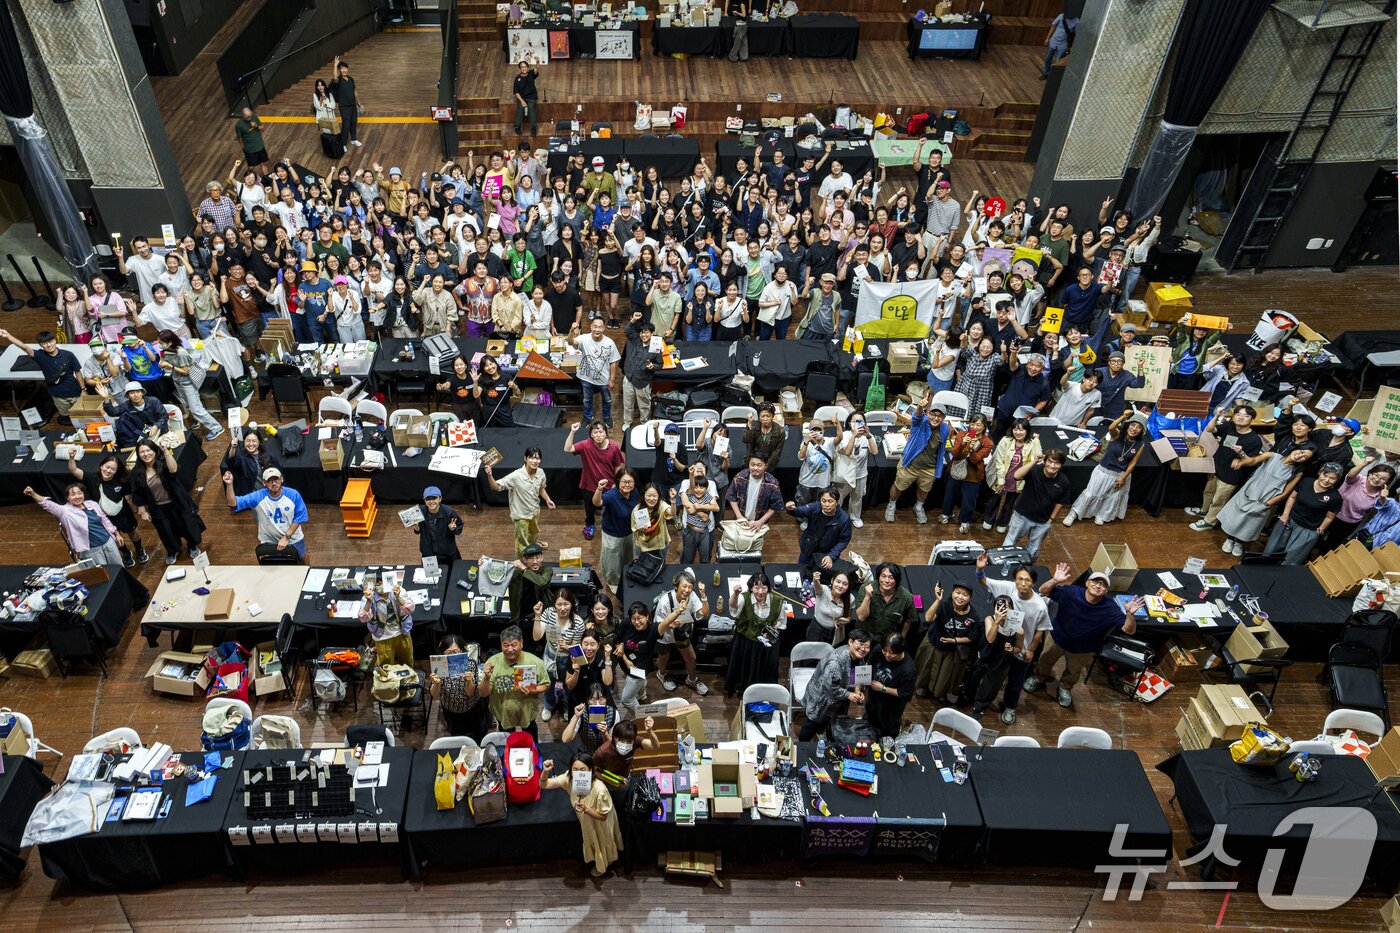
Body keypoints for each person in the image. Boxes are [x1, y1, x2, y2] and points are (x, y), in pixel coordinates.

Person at [1025, 565, 1143, 709]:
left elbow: (1128, 630)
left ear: (1106, 591)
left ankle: (1065, 687)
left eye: (1102, 584)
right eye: (1095, 581)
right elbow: (1043, 591)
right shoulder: (1072, 592)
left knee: (1073, 672)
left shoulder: (1111, 608)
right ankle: (1039, 677)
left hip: (1083, 649)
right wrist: (1055, 580)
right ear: (1087, 583)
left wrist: (1130, 614)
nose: (1098, 585)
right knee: (1044, 660)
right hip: (1057, 638)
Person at [973, 556, 1051, 724]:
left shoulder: (1040, 606)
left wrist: (1030, 649)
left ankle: (1010, 707)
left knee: (1016, 681)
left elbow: (1041, 630)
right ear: (1015, 580)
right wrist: (980, 568)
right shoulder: (1007, 588)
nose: (1023, 583)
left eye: (1027, 580)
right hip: (1001, 646)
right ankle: (981, 702)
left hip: (1020, 647)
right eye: (1020, 579)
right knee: (994, 677)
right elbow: (983, 580)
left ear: (1034, 583)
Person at [1217, 445, 1316, 557]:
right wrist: (1241, 462)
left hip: (1265, 501)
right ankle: (1229, 539)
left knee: (1250, 524)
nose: (1300, 455)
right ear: (1295, 449)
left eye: (1305, 457)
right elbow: (1254, 460)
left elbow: (1285, 493)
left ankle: (1239, 542)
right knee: (1236, 518)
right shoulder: (1272, 456)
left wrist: (1266, 504)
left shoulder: (1297, 473)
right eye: (1301, 451)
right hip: (1250, 492)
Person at [539, 752, 623, 878]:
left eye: (583, 769)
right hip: (586, 822)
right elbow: (543, 784)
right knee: (591, 840)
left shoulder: (600, 790)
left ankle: (603, 865)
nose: (579, 773)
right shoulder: (569, 778)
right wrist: (545, 771)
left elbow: (603, 816)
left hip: (599, 823)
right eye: (575, 769)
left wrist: (587, 810)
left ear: (590, 770)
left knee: (602, 840)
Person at [1062, 410, 1148, 527]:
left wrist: (1124, 477)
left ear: (1142, 431)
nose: (1134, 429)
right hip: (1103, 471)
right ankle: (1074, 513)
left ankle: (1102, 515)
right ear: (1128, 425)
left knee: (1111, 497)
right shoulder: (1117, 435)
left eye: (1138, 427)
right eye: (1133, 425)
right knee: (1090, 493)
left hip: (1120, 474)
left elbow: (1133, 463)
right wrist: (1123, 416)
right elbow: (1111, 427)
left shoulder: (1140, 444)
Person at [1188, 405, 1265, 532]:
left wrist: (1241, 453)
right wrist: (1217, 415)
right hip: (1217, 466)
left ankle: (1210, 521)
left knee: (1219, 499)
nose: (1241, 418)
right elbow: (1209, 429)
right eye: (1238, 414)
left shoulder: (1254, 440)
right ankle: (1204, 511)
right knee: (1208, 492)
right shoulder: (1230, 426)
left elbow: (1251, 462)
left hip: (1231, 475)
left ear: (1252, 419)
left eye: (1246, 416)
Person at [130, 437, 204, 565]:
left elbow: (174, 470)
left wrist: (165, 451)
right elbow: (137, 493)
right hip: (157, 508)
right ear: (138, 454)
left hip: (177, 503)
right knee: (166, 531)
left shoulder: (163, 462)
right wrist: (143, 511)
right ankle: (172, 550)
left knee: (186, 525)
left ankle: (192, 545)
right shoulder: (136, 472)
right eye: (142, 452)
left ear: (154, 450)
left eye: (148, 450)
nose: (146, 454)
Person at [66, 450, 147, 566]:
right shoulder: (91, 478)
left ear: (116, 471)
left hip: (123, 513)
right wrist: (71, 457)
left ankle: (139, 549)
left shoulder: (122, 480)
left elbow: (128, 497)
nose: (108, 471)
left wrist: (136, 510)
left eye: (112, 469)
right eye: (107, 467)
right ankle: (126, 553)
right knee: (115, 536)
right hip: (104, 517)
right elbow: (73, 470)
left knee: (132, 531)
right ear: (101, 466)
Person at [23, 483, 126, 568]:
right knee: (104, 574)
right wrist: (33, 494)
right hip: (91, 550)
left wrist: (117, 534)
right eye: (73, 494)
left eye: (79, 493)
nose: (77, 496)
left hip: (108, 542)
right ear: (67, 498)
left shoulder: (92, 504)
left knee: (119, 568)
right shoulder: (65, 511)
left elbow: (105, 520)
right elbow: (48, 505)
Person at [885, 400, 951, 525]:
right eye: (933, 414)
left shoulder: (945, 429)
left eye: (939, 416)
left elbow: (941, 448)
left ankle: (919, 507)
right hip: (910, 464)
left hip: (929, 468)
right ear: (928, 414)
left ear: (943, 418)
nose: (935, 418)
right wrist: (920, 406)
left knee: (924, 490)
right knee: (898, 486)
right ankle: (891, 505)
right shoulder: (921, 422)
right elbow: (917, 416)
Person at [479, 625, 551, 739]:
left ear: (521, 643)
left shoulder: (535, 661)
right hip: (503, 713)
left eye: (513, 644)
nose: (510, 649)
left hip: (527, 711)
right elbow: (483, 693)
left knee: (531, 740)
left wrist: (533, 690)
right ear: (501, 645)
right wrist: (486, 678)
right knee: (507, 742)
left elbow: (546, 684)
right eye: (506, 645)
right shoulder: (492, 662)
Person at [1263, 461, 1342, 564]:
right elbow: (1292, 497)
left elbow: (1329, 517)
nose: (1326, 480)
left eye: (1332, 478)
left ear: (1337, 480)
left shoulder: (1335, 497)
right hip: (1288, 521)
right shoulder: (1307, 481)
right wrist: (1285, 514)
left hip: (1307, 530)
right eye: (1325, 475)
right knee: (1270, 551)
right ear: (1320, 473)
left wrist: (1320, 530)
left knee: (1290, 560)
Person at [799, 630, 872, 741]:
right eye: (861, 644)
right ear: (850, 642)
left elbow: (857, 674)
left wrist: (858, 690)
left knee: (828, 722)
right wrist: (849, 695)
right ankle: (801, 745)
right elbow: (829, 688)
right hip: (821, 699)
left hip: (837, 700)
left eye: (867, 646)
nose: (863, 649)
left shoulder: (859, 656)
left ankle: (822, 733)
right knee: (811, 724)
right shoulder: (835, 662)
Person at [222, 465, 308, 560]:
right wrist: (229, 485)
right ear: (264, 483)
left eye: (276, 480)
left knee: (302, 559)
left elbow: (300, 517)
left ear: (281, 479)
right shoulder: (258, 496)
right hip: (270, 541)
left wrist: (286, 537)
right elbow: (233, 503)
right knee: (275, 566)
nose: (274, 483)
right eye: (270, 481)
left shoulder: (293, 494)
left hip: (292, 538)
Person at [0, 329, 84, 422]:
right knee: (66, 415)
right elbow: (24, 347)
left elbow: (78, 372)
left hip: (75, 392)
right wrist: (8, 336)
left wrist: (83, 389)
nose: (48, 345)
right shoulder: (40, 355)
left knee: (83, 415)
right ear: (40, 345)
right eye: (44, 343)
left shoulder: (68, 355)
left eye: (50, 341)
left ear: (55, 340)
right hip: (57, 395)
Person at [485, 446, 555, 556]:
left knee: (533, 534)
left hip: (534, 512)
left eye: (537, 458)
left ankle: (533, 554)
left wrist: (547, 499)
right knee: (521, 542)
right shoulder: (516, 476)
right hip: (521, 516)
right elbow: (496, 487)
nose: (535, 461)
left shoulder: (541, 473)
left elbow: (541, 488)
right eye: (531, 458)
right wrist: (489, 475)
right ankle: (522, 562)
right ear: (525, 459)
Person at [1001, 449, 1071, 559]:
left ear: (1061, 465)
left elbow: (1061, 501)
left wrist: (1051, 519)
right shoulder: (1034, 470)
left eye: (1057, 463)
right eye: (1050, 461)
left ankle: (1027, 570)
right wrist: (1034, 461)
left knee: (1033, 550)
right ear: (1045, 461)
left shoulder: (1064, 480)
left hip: (1042, 521)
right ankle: (1004, 565)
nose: (1052, 465)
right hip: (1021, 517)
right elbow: (1016, 476)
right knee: (1009, 544)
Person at [913, 581, 977, 701]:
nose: (960, 597)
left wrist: (955, 640)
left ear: (970, 598)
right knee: (926, 669)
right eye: (958, 593)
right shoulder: (944, 605)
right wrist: (938, 600)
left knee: (945, 676)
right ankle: (923, 686)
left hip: (951, 650)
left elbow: (972, 637)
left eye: (965, 595)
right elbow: (928, 618)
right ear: (952, 593)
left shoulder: (974, 616)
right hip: (933, 643)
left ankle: (940, 692)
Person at [725, 571, 784, 697]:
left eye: (764, 587)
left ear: (769, 588)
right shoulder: (744, 597)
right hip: (746, 642)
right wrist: (735, 594)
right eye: (756, 587)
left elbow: (781, 621)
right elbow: (733, 609)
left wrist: (771, 632)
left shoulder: (777, 601)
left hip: (765, 644)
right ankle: (742, 689)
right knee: (744, 669)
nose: (760, 591)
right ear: (751, 588)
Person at [654, 570, 711, 697]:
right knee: (663, 657)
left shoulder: (692, 596)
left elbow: (704, 613)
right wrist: (670, 624)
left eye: (690, 587)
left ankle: (691, 680)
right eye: (684, 586)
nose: (687, 590)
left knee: (692, 658)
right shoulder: (665, 601)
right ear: (676, 586)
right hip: (666, 633)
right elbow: (658, 626)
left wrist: (703, 595)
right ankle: (661, 674)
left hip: (682, 631)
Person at [567, 420, 626, 542]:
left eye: (601, 431)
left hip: (609, 486)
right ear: (591, 435)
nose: (598, 435)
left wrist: (616, 482)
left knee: (610, 508)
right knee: (589, 508)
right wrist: (572, 432)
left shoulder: (614, 446)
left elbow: (618, 466)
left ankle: (610, 524)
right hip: (589, 486)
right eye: (595, 432)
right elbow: (568, 449)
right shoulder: (585, 445)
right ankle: (590, 525)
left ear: (606, 433)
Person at [534, 588, 587, 721]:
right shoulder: (549, 613)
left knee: (566, 685)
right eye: (559, 604)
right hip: (550, 655)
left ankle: (566, 706)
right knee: (548, 683)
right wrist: (537, 616)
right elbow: (537, 636)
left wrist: (567, 647)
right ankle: (548, 705)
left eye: (566, 604)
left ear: (572, 604)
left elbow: (576, 648)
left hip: (566, 658)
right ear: (554, 604)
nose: (562, 608)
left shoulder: (579, 622)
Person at [1324, 458, 1397, 553]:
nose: (1377, 479)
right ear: (1370, 473)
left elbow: (1381, 510)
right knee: (1316, 536)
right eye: (1376, 475)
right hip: (1330, 513)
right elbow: (1350, 475)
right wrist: (1364, 463)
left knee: (1331, 545)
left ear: (1386, 483)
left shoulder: (1380, 495)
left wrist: (1383, 498)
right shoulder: (1358, 479)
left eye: (1383, 479)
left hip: (1348, 523)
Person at [428, 634, 490, 741]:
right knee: (457, 738)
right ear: (443, 652)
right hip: (451, 710)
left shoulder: (470, 663)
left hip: (472, 708)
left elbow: (470, 692)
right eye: (448, 652)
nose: (452, 655)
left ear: (461, 650)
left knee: (478, 736)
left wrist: (469, 680)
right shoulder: (438, 664)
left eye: (456, 652)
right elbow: (434, 694)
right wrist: (437, 683)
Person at [940, 413, 993, 533]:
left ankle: (965, 521)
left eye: (978, 424)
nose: (974, 427)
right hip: (956, 470)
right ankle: (946, 514)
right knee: (949, 495)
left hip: (973, 474)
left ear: (984, 426)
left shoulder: (987, 442)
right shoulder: (961, 434)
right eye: (972, 423)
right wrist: (963, 443)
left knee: (969, 500)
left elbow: (975, 460)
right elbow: (955, 454)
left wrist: (972, 449)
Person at [594, 469, 641, 590]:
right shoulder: (611, 495)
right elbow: (597, 502)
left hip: (628, 533)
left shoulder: (634, 492)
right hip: (612, 535)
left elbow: (639, 509)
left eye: (630, 481)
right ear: (618, 481)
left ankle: (625, 577)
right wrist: (599, 489)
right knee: (612, 564)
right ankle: (614, 584)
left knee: (628, 559)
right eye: (624, 481)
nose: (627, 485)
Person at [783, 489, 852, 571]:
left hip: (827, 554)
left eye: (830, 501)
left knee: (821, 578)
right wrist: (791, 509)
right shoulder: (814, 507)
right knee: (801, 571)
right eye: (823, 501)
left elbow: (843, 540)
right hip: (808, 548)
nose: (826, 504)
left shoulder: (844, 519)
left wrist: (831, 555)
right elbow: (800, 511)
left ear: (836, 502)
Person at [573, 317, 621, 428]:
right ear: (591, 327)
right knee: (587, 399)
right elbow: (571, 342)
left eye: (600, 327)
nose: (597, 329)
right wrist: (572, 331)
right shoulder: (583, 338)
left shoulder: (610, 343)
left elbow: (613, 362)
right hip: (586, 378)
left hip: (604, 380)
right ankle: (588, 416)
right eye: (595, 326)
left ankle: (607, 417)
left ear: (604, 328)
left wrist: (612, 380)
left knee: (607, 400)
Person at [866, 634, 916, 739]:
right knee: (868, 725)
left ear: (901, 651)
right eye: (885, 651)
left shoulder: (908, 670)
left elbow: (905, 693)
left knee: (886, 736)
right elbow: (868, 665)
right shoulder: (879, 649)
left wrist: (883, 688)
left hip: (890, 710)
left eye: (892, 653)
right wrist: (859, 686)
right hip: (873, 700)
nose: (887, 655)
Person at [724, 453, 785, 538]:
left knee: (756, 544)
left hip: (759, 522)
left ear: (766, 465)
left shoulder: (772, 482)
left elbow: (776, 505)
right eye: (752, 464)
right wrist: (739, 516)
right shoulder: (740, 477)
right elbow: (731, 496)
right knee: (739, 542)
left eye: (759, 465)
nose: (755, 468)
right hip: (741, 518)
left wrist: (761, 521)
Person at [359, 577, 415, 667]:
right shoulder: (368, 597)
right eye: (377, 584)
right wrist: (369, 601)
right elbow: (363, 618)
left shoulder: (399, 590)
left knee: (407, 660)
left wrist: (398, 597)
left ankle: (407, 678)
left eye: (382, 583)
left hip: (401, 631)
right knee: (385, 664)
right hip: (383, 635)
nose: (380, 586)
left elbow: (410, 608)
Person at [590, 716, 659, 789]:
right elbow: (594, 771)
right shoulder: (602, 752)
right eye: (622, 741)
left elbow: (655, 746)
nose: (625, 744)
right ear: (614, 737)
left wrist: (650, 731)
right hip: (605, 783)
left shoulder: (635, 741)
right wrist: (613, 782)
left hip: (624, 781)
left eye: (629, 741)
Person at [833, 412, 876, 528]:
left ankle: (855, 516)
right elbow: (847, 452)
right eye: (855, 421)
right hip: (844, 474)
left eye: (861, 421)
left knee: (857, 497)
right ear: (849, 423)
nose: (858, 424)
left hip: (860, 474)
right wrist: (854, 436)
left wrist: (868, 436)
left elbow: (875, 451)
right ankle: (835, 517)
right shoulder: (845, 435)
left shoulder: (867, 436)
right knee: (839, 498)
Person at [856, 562, 916, 642]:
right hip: (865, 636)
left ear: (897, 580)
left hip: (887, 640)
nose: (886, 580)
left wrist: (901, 639)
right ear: (878, 577)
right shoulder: (865, 588)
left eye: (891, 577)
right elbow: (861, 617)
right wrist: (867, 597)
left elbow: (908, 620)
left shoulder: (906, 597)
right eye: (883, 576)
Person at [620, 313, 659, 433]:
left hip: (643, 381)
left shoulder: (656, 346)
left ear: (652, 333)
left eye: (647, 332)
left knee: (644, 405)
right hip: (629, 378)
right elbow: (627, 331)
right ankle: (627, 421)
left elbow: (660, 363)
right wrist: (633, 320)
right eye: (642, 332)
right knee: (627, 402)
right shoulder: (635, 339)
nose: (644, 335)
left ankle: (644, 423)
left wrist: (653, 366)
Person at [103, 382, 168, 448]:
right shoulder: (126, 406)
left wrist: (156, 426)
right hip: (144, 432)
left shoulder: (154, 401)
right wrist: (106, 398)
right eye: (132, 393)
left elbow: (164, 416)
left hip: (159, 428)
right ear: (128, 396)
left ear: (142, 392)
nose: (136, 395)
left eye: (138, 392)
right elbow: (113, 412)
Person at [678, 460, 720, 563]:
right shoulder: (686, 482)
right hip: (689, 527)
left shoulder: (711, 484)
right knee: (687, 558)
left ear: (706, 472)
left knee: (705, 558)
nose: (700, 468)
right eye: (697, 467)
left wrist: (697, 507)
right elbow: (687, 505)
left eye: (702, 467)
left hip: (707, 529)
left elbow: (714, 505)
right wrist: (700, 512)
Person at [219, 429, 279, 497]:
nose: (251, 444)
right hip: (251, 496)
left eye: (254, 441)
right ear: (244, 442)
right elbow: (231, 460)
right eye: (248, 441)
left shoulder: (269, 456)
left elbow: (278, 476)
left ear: (259, 442)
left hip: (269, 494)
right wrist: (233, 447)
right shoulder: (241, 457)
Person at [412, 485, 463, 563]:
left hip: (447, 553)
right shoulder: (419, 512)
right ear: (424, 500)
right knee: (430, 575)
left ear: (440, 499)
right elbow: (418, 530)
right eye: (428, 499)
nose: (431, 501)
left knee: (451, 574)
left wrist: (453, 528)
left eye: (434, 498)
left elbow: (459, 526)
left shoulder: (448, 511)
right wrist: (416, 528)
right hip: (428, 553)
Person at [330, 55, 360, 148]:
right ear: (339, 70)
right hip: (344, 106)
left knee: (353, 123)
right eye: (342, 68)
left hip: (352, 105)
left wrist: (358, 101)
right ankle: (343, 143)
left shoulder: (351, 79)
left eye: (345, 68)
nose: (344, 70)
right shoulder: (338, 80)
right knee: (346, 125)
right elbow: (334, 78)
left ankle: (354, 139)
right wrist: (335, 65)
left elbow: (354, 90)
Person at [234, 106, 269, 171]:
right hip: (250, 149)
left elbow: (263, 129)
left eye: (250, 116)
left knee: (263, 164)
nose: (250, 118)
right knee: (251, 167)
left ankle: (266, 179)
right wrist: (243, 147)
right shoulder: (239, 125)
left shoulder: (254, 117)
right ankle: (248, 176)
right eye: (248, 117)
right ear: (243, 116)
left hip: (260, 146)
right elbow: (239, 137)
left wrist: (256, 126)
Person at [512, 59, 540, 135]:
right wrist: (522, 101)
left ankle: (533, 127)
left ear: (527, 68)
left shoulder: (531, 74)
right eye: (522, 67)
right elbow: (516, 92)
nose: (524, 68)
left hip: (532, 97)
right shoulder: (517, 79)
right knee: (520, 108)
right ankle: (517, 126)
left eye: (525, 67)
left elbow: (536, 70)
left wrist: (537, 62)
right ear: (520, 69)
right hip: (522, 98)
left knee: (531, 108)